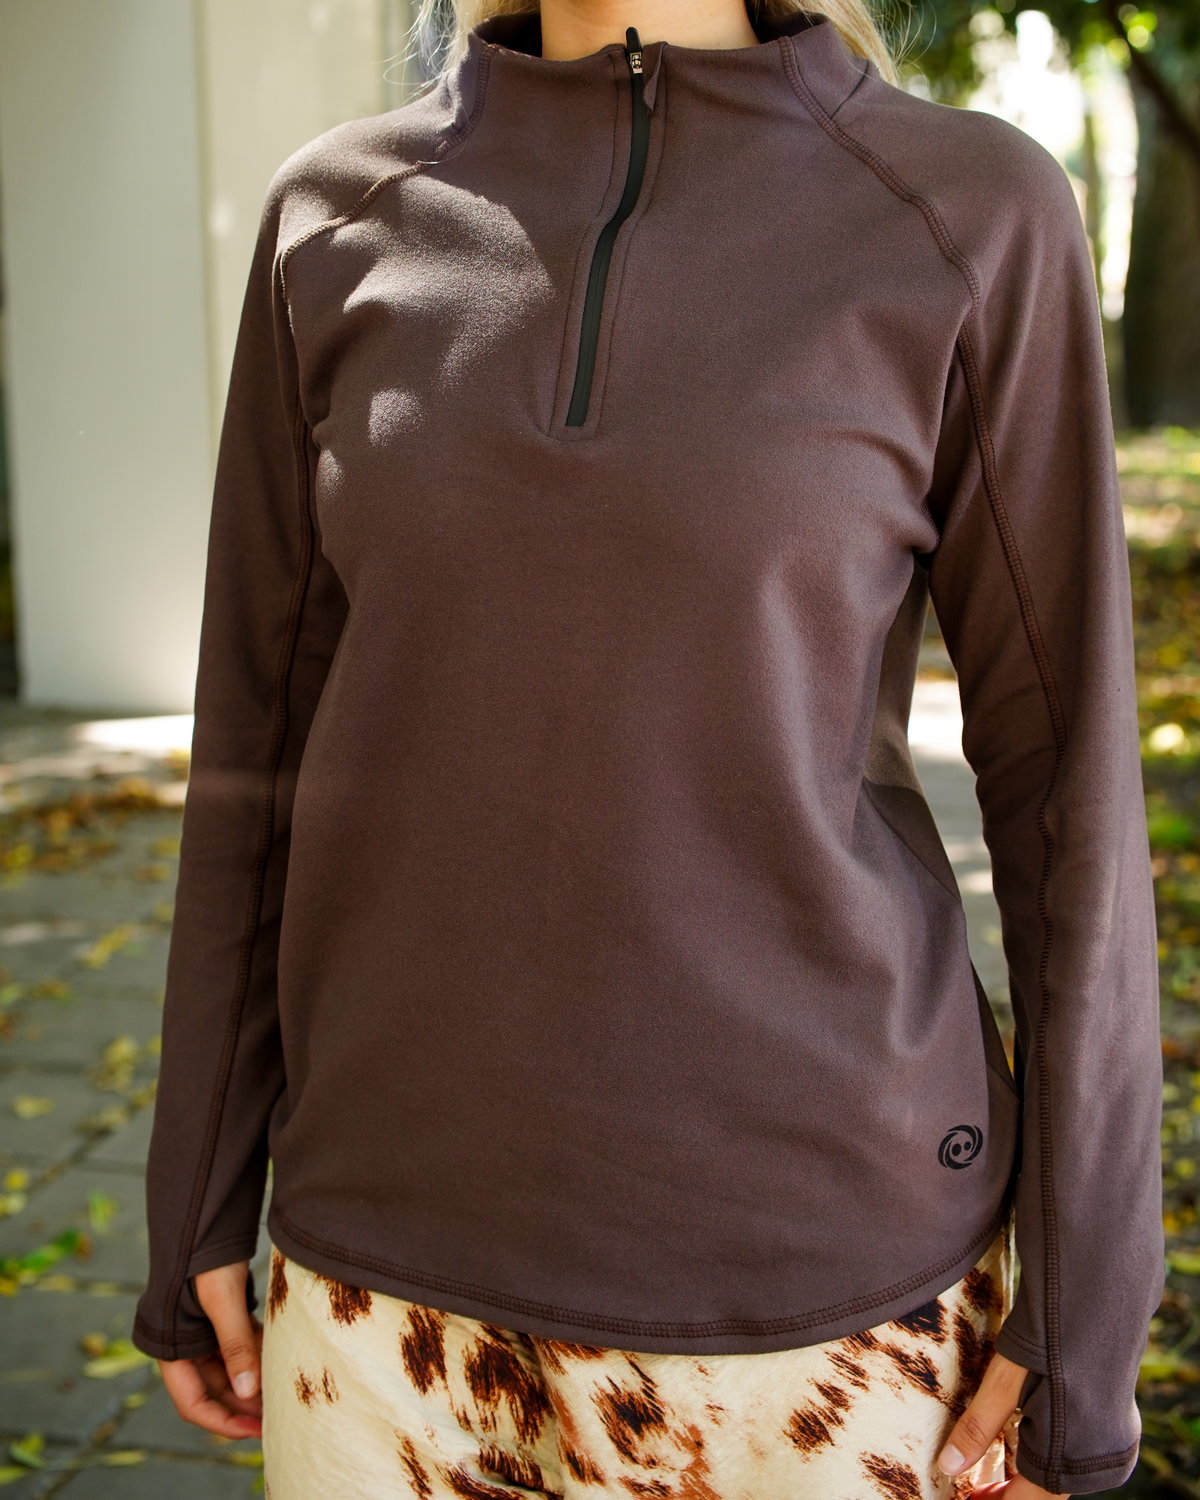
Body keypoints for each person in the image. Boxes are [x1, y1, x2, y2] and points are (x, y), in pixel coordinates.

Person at [129, 0, 1166, 1496]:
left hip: (829, 1313)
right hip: (378, 1305)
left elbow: (1070, 795)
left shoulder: (965, 211)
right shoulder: (333, 219)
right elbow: (254, 752)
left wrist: (1087, 1294)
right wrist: (198, 1192)